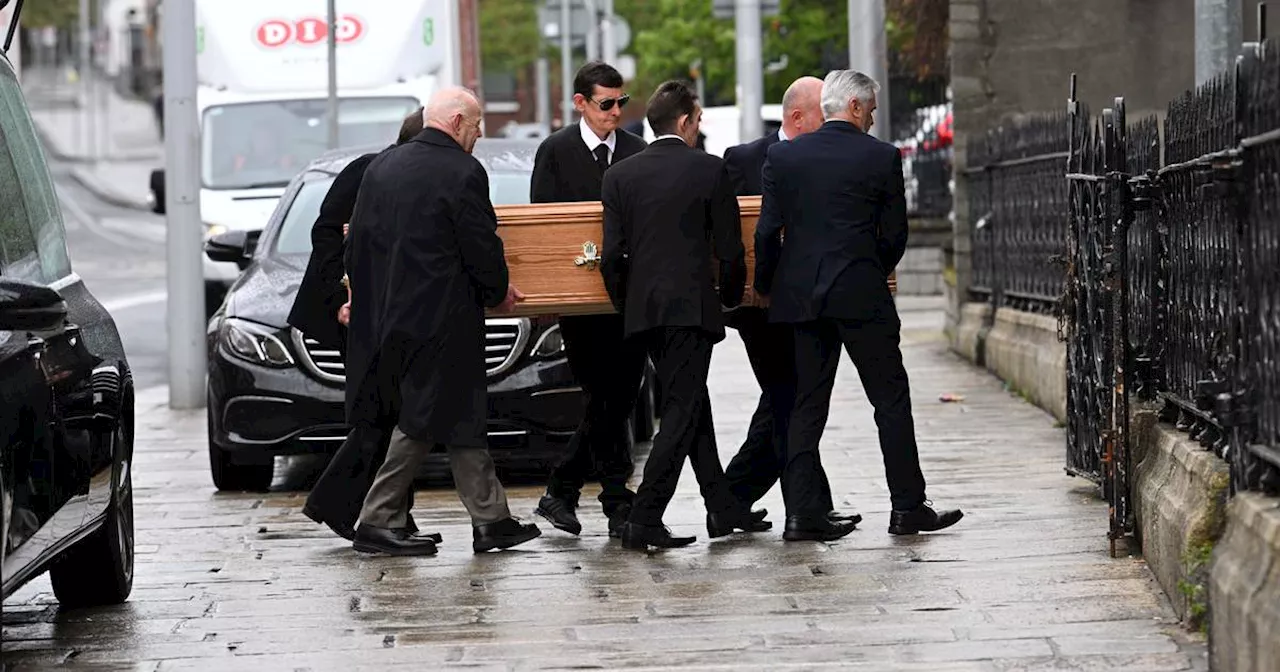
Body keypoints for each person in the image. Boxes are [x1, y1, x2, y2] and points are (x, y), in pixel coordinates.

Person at [754, 70, 963, 541]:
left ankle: (802, 514)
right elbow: (894, 237)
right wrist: (868, 269)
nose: (871, 120)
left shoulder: (783, 157)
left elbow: (767, 232)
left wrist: (767, 284)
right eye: (869, 111)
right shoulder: (881, 157)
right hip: (862, 295)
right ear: (852, 107)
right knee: (889, 400)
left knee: (806, 405)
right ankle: (907, 507)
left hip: (803, 298)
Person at [343, 87, 540, 556]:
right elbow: (480, 242)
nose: (478, 135)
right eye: (475, 126)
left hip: (390, 317)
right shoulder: (462, 171)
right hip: (443, 318)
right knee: (423, 417)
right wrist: (496, 291)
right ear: (455, 122)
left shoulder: (382, 167)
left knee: (461, 413)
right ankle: (376, 518)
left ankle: (492, 520)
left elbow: (358, 244)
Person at [600, 80, 770, 551]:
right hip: (692, 309)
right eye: (697, 119)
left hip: (645, 311)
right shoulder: (709, 170)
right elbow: (731, 252)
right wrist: (730, 299)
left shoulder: (619, 176)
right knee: (681, 409)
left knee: (691, 402)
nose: (699, 127)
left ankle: (722, 508)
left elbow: (612, 256)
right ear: (683, 121)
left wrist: (626, 302)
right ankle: (646, 516)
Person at [720, 77, 860, 527]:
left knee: (787, 404)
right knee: (789, 400)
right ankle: (803, 506)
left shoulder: (833, 159)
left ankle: (731, 501)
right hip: (759, 310)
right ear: (797, 118)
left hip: (810, 304)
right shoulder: (741, 159)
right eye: (825, 113)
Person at [295, 108, 429, 543]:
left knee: (394, 415)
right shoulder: (367, 172)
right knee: (379, 416)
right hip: (358, 314)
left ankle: (392, 515)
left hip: (391, 313)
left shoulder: (410, 175)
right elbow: (327, 234)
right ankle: (337, 505)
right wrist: (340, 299)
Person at [529, 61, 648, 538]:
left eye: (622, 102)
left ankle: (564, 489)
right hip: (579, 303)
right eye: (606, 104)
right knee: (605, 397)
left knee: (617, 397)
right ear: (580, 103)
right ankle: (616, 500)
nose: (616, 112)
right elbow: (544, 224)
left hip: (630, 297)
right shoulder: (556, 152)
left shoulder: (637, 151)